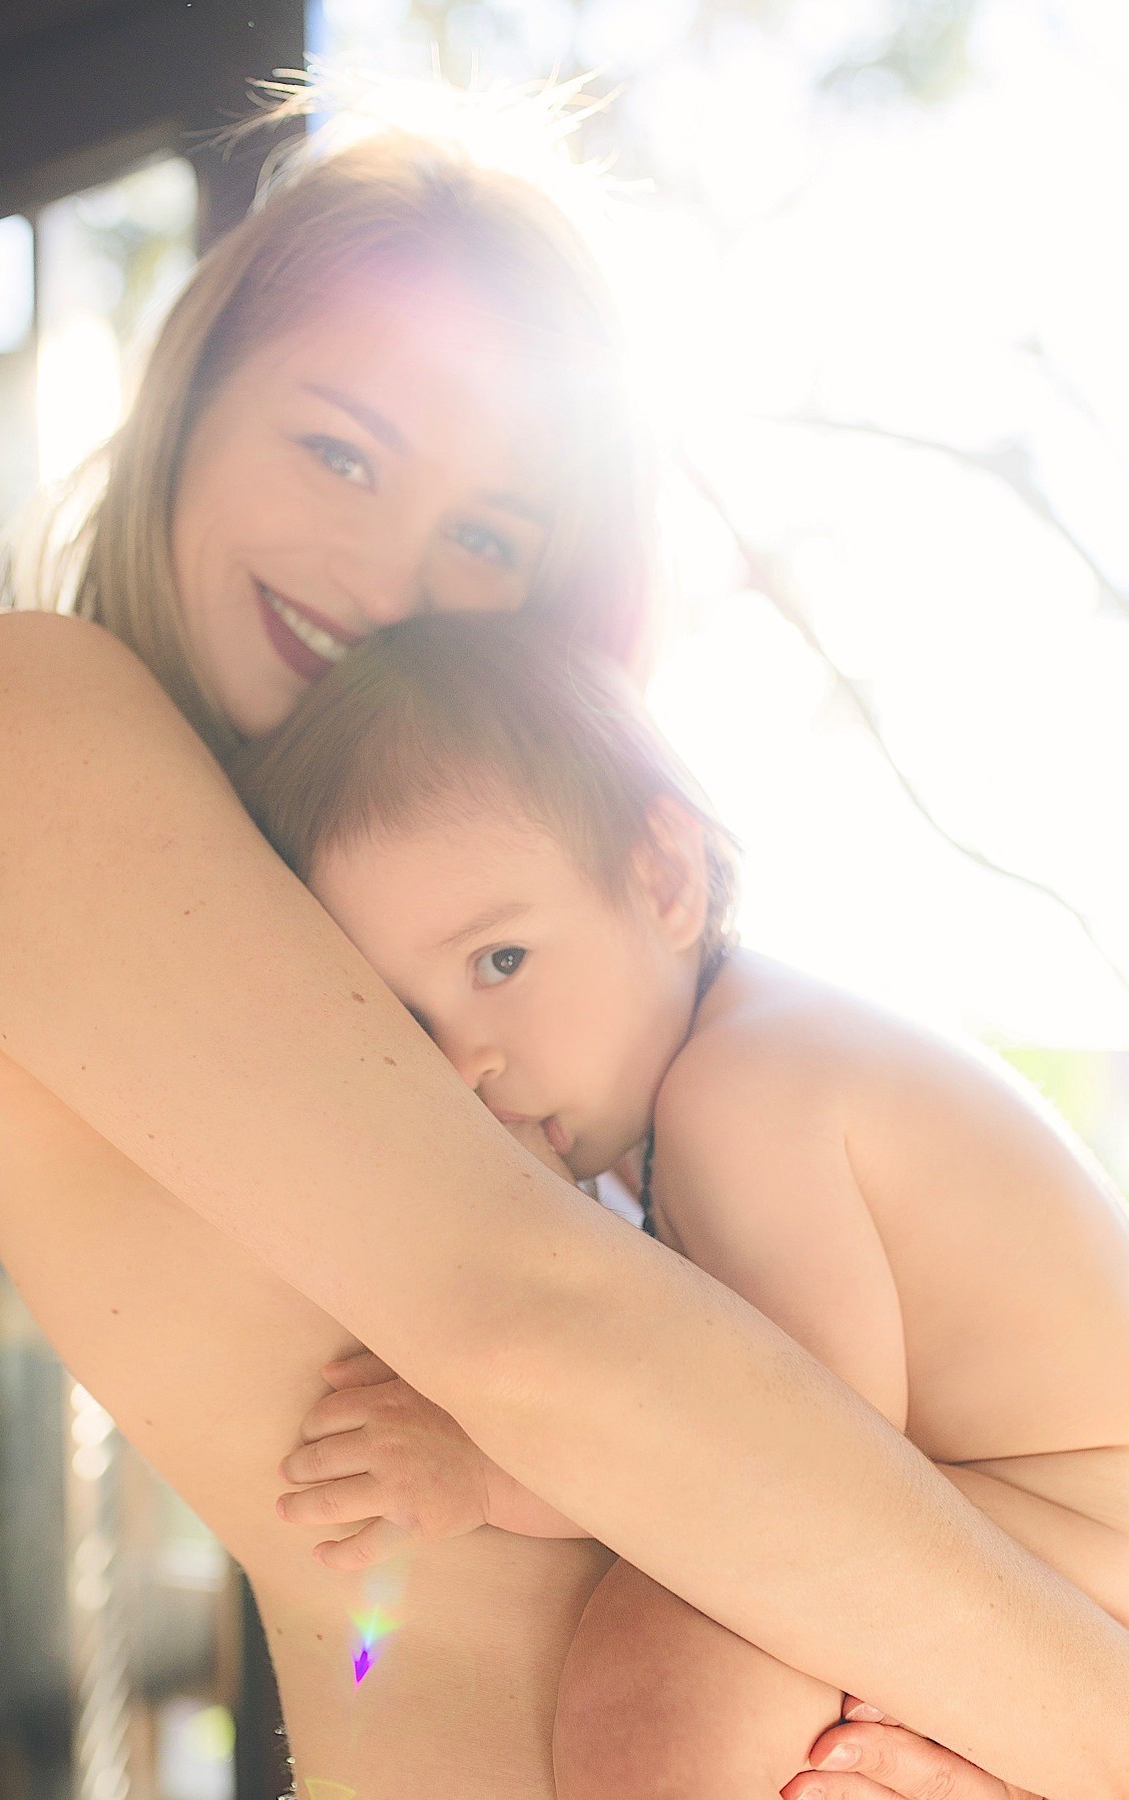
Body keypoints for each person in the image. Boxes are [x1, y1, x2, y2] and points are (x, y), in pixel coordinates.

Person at [0, 84, 1127, 1800]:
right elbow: (535, 1320)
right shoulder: (10, 718)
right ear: (189, 408)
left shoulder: (553, 983)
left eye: (485, 537)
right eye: (337, 448)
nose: (382, 576)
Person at [231, 610, 1129, 1797]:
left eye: (499, 962)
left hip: (1079, 1553)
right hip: (1020, 1539)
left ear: (663, 877)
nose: (468, 1064)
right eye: (413, 1027)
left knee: (662, 1669)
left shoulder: (744, 1095)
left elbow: (773, 1475)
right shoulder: (725, 1068)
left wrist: (482, 1465)